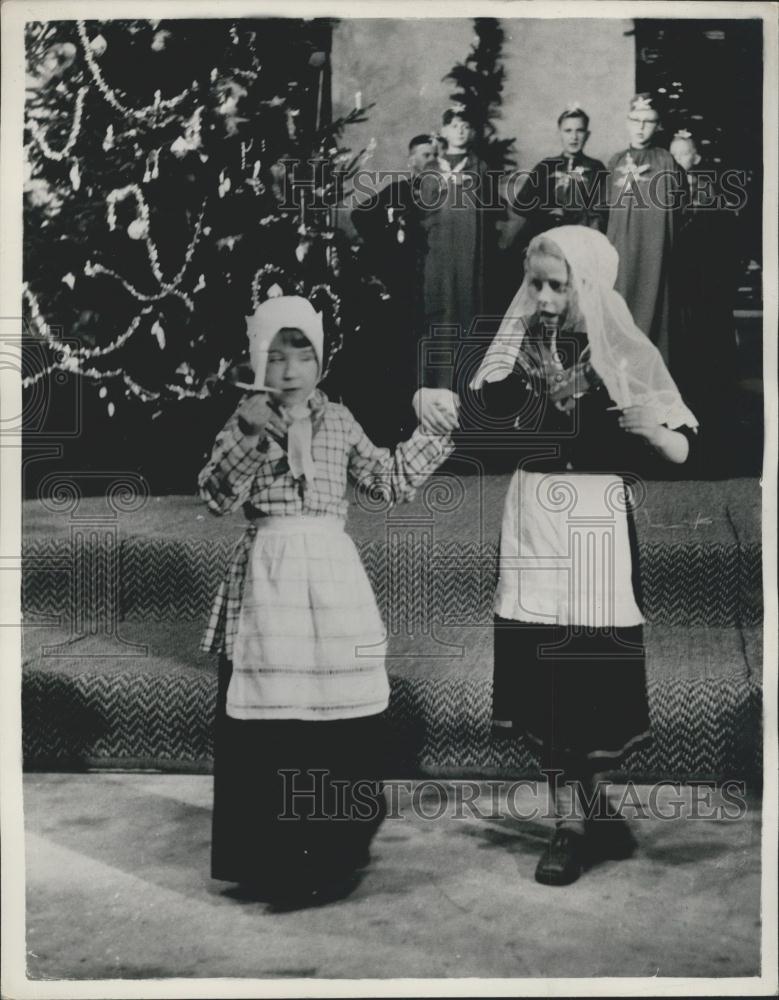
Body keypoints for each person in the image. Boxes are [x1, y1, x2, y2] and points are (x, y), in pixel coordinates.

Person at [199, 295, 456, 905]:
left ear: (321, 358)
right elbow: (215, 496)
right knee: (271, 723)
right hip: (270, 581)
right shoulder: (245, 421)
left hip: (331, 583)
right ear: (257, 358)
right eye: (276, 354)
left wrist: (436, 432)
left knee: (331, 723)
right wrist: (249, 434)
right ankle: (266, 859)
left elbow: (387, 479)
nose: (289, 368)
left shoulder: (338, 419)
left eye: (302, 353)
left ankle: (325, 858)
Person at [469, 226, 697, 886]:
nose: (540, 297)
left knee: (589, 668)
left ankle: (590, 810)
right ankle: (572, 821)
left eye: (555, 286)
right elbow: (484, 417)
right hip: (536, 518)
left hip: (595, 523)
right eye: (534, 283)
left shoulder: (618, 351)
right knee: (543, 668)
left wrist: (652, 430)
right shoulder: (517, 348)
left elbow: (682, 447)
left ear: (588, 288)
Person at [350, 135, 438, 443]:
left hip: (431, 283)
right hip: (400, 284)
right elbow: (359, 214)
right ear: (411, 161)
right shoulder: (399, 191)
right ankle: (395, 423)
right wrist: (385, 241)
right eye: (426, 155)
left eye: (435, 155)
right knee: (399, 354)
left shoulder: (444, 193)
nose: (432, 160)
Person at [668, 130, 740, 458]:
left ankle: (715, 433)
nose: (678, 161)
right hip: (681, 288)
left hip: (706, 291)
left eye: (684, 154)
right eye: (673, 155)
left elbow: (723, 247)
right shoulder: (668, 192)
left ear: (696, 158)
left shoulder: (708, 192)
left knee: (709, 358)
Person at [606, 93, 685, 363]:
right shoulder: (615, 163)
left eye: (648, 121)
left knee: (658, 312)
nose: (641, 127)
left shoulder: (666, 162)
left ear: (658, 125)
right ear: (627, 122)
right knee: (621, 311)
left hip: (657, 254)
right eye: (635, 120)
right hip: (622, 255)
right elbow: (604, 212)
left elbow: (682, 207)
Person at [511, 103, 609, 240]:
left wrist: (574, 216)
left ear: (587, 135)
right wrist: (548, 213)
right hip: (546, 237)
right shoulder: (546, 166)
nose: (574, 137)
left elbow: (603, 210)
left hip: (582, 238)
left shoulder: (596, 168)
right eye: (568, 131)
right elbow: (520, 205)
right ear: (559, 134)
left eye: (579, 130)